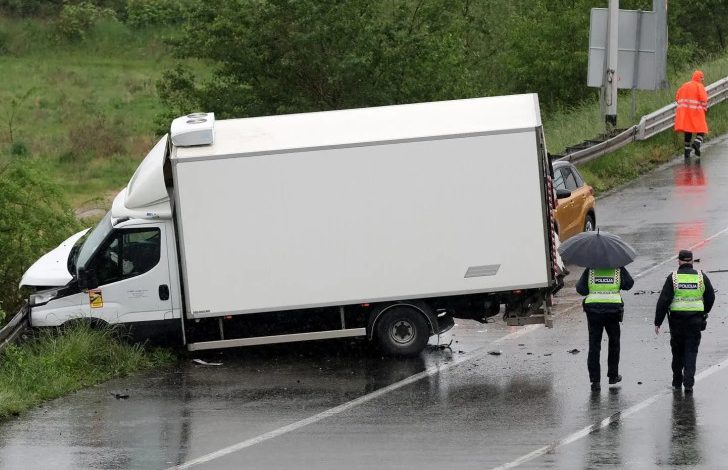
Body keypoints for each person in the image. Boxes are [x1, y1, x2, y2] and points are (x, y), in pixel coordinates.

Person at [655, 250, 715, 393]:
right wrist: (703, 312)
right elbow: (710, 297)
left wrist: (658, 322)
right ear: (692, 261)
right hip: (695, 321)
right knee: (691, 351)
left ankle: (677, 381)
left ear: (679, 261)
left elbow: (664, 300)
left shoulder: (673, 277)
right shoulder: (701, 277)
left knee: (677, 352)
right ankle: (688, 384)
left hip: (677, 321)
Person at [576, 265, 634, 390]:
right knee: (614, 342)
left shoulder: (590, 269)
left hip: (593, 310)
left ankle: (595, 381)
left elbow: (581, 289)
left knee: (594, 345)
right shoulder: (618, 268)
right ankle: (613, 376)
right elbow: (629, 284)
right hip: (613, 310)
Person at [674, 70, 709, 159]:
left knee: (688, 129)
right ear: (699, 78)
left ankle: (687, 151)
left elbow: (677, 97)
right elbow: (704, 99)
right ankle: (697, 143)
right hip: (696, 111)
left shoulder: (685, 85)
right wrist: (704, 108)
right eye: (702, 78)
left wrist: (685, 106)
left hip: (685, 112)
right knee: (702, 129)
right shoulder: (699, 86)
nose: (702, 80)